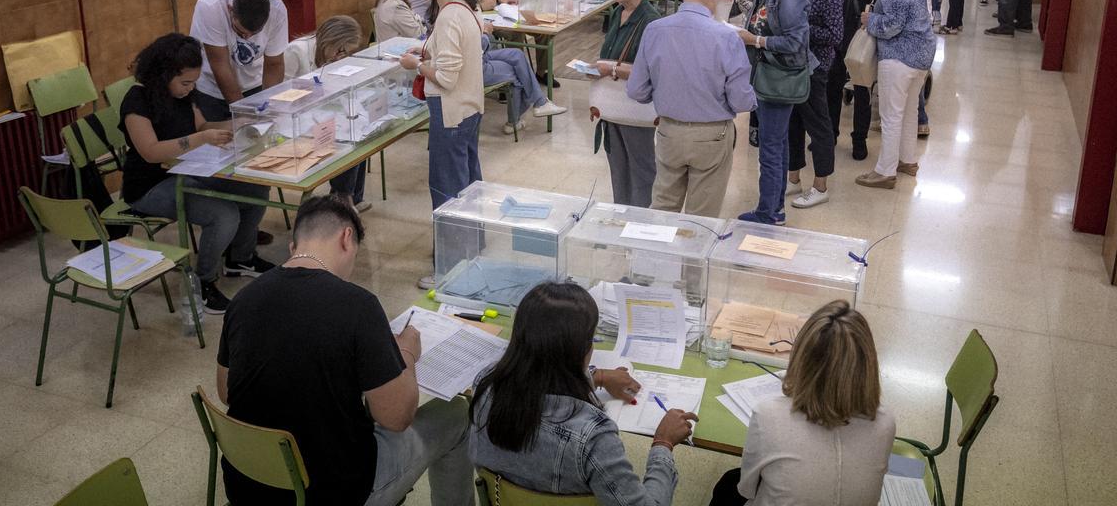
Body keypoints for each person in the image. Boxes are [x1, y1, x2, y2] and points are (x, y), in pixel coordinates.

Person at [217, 196, 472, 506]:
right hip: (334, 492)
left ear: (293, 245)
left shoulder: (244, 300)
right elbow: (397, 418)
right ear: (347, 238)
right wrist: (406, 353)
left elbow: (226, 391)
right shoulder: (358, 305)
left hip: (248, 485)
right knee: (458, 414)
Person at [469, 281, 693, 506]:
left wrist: (598, 377)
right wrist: (663, 444)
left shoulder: (485, 388)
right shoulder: (593, 437)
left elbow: (539, 372)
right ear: (582, 351)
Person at [120, 33, 271, 314]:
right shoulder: (137, 101)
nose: (190, 89)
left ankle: (240, 258)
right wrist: (201, 140)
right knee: (223, 215)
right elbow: (150, 152)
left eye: (193, 82)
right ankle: (203, 283)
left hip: (188, 169)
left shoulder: (183, 96)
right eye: (185, 82)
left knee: (256, 190)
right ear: (162, 75)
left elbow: (202, 127)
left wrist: (239, 123)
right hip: (150, 186)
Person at [709, 301, 894, 506]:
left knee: (728, 485)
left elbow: (747, 488)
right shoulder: (885, 423)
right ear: (868, 362)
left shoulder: (768, 414)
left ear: (801, 357)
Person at [628, 0, 756, 217]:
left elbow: (637, 91)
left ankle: (657, 256)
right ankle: (691, 258)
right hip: (712, 134)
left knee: (662, 209)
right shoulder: (728, 37)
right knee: (702, 216)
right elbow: (741, 100)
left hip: (669, 132)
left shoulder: (655, 30)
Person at [399, 0, 484, 287]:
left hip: (450, 113)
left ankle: (450, 269)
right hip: (467, 110)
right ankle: (470, 252)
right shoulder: (462, 8)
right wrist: (426, 49)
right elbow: (454, 55)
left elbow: (447, 76)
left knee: (447, 191)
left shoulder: (449, 15)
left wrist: (416, 64)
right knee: (467, 185)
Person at [445, 0, 567, 135]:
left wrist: (497, 2)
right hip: (474, 54)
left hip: (485, 39)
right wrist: (483, 31)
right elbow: (465, 32)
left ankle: (540, 101)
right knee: (518, 70)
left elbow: (480, 3)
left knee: (518, 56)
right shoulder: (453, 0)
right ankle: (517, 118)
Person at [735, 0, 810, 225]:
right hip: (767, 74)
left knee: (770, 146)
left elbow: (795, 42)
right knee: (776, 143)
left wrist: (756, 41)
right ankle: (773, 207)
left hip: (780, 77)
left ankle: (768, 211)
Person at [856, 0, 935, 189]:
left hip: (900, 56)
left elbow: (892, 25)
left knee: (891, 114)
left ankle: (885, 171)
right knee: (910, 110)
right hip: (921, 54)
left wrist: (870, 20)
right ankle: (907, 160)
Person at [284, 16, 373, 212]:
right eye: (340, 49)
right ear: (329, 39)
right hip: (299, 122)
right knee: (344, 139)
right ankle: (344, 198)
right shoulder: (297, 51)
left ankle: (349, 196)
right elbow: (281, 94)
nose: (340, 56)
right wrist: (307, 93)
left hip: (325, 116)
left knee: (357, 132)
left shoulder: (336, 55)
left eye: (347, 52)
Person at [591, 0, 661, 208]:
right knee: (618, 165)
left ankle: (640, 219)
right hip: (613, 104)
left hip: (635, 107)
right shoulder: (617, 12)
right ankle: (621, 213)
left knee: (641, 167)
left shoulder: (651, 21)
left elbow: (651, 70)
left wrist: (610, 68)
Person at [786, 0, 842, 209]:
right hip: (800, 63)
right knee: (795, 121)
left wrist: (800, 28)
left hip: (816, 67)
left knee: (818, 125)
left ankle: (820, 185)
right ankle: (793, 177)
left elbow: (834, 34)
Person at [830, 0, 889, 161]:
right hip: (838, 28)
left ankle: (859, 139)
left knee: (862, 88)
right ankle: (829, 134)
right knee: (831, 86)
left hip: (865, 33)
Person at [189, 0, 288, 122]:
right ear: (230, 10)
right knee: (224, 137)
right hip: (211, 90)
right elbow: (219, 65)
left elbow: (274, 64)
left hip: (253, 84)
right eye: (240, 32)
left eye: (254, 33)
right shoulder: (211, 5)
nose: (247, 37)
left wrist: (269, 105)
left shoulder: (277, 10)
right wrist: (243, 114)